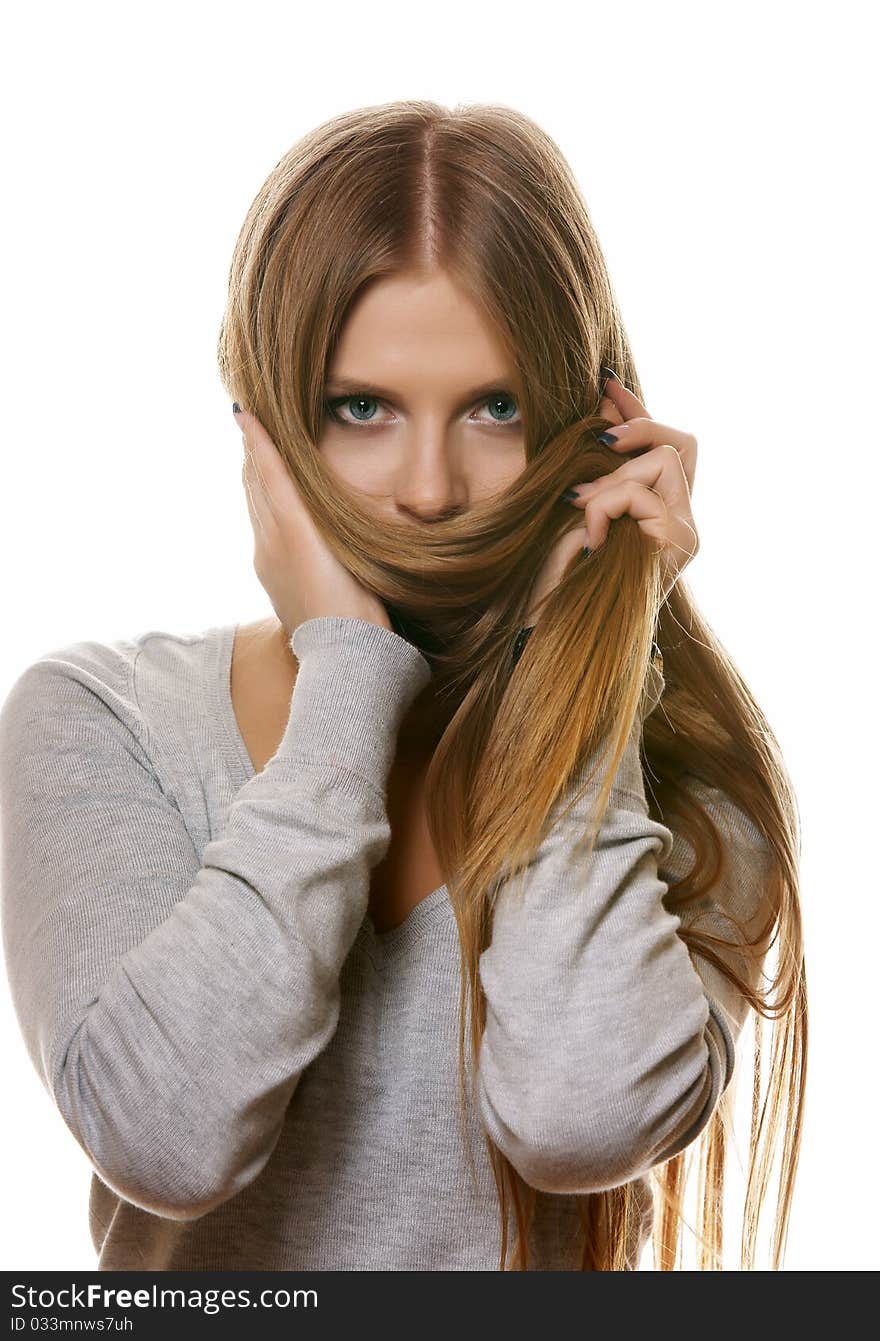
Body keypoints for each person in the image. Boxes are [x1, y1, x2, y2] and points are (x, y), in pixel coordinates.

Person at [0, 100, 805, 1272]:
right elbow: (165, 1141)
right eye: (360, 408)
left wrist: (587, 650)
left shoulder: (687, 774)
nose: (430, 490)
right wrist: (351, 676)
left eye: (495, 407)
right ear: (262, 421)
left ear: (591, 426)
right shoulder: (97, 722)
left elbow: (580, 1124)